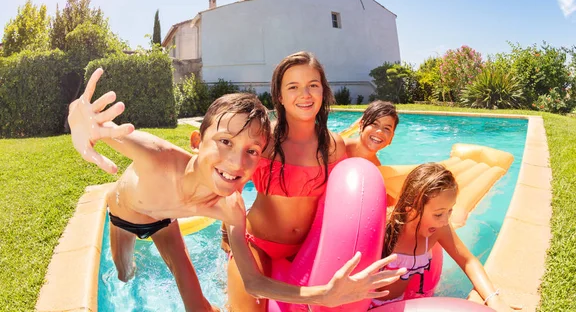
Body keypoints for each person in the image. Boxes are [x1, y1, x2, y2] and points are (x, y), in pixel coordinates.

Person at [69, 68, 403, 312]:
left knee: (197, 307)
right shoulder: (157, 158)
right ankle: (126, 263)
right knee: (125, 271)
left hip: (168, 221)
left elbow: (254, 282)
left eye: (252, 151)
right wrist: (80, 119)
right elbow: (105, 130)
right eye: (225, 142)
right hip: (127, 214)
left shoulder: (229, 206)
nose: (235, 162)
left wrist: (325, 294)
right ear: (197, 142)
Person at [228, 51, 397, 311]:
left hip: (306, 251)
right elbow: (229, 184)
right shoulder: (264, 140)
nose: (305, 94)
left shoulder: (333, 146)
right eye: (293, 87)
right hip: (257, 244)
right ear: (280, 97)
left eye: (313, 86)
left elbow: (360, 176)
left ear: (323, 92)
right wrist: (229, 233)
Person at [372, 163, 513, 312]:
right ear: (411, 209)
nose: (445, 221)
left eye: (450, 210)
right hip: (366, 305)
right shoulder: (384, 225)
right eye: (438, 214)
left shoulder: (439, 228)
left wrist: (493, 299)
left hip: (399, 304)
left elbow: (468, 261)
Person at [345, 100, 399, 166]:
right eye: (375, 124)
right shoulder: (339, 147)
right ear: (361, 126)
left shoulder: (377, 167)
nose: (380, 131)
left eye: (387, 128)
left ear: (391, 138)